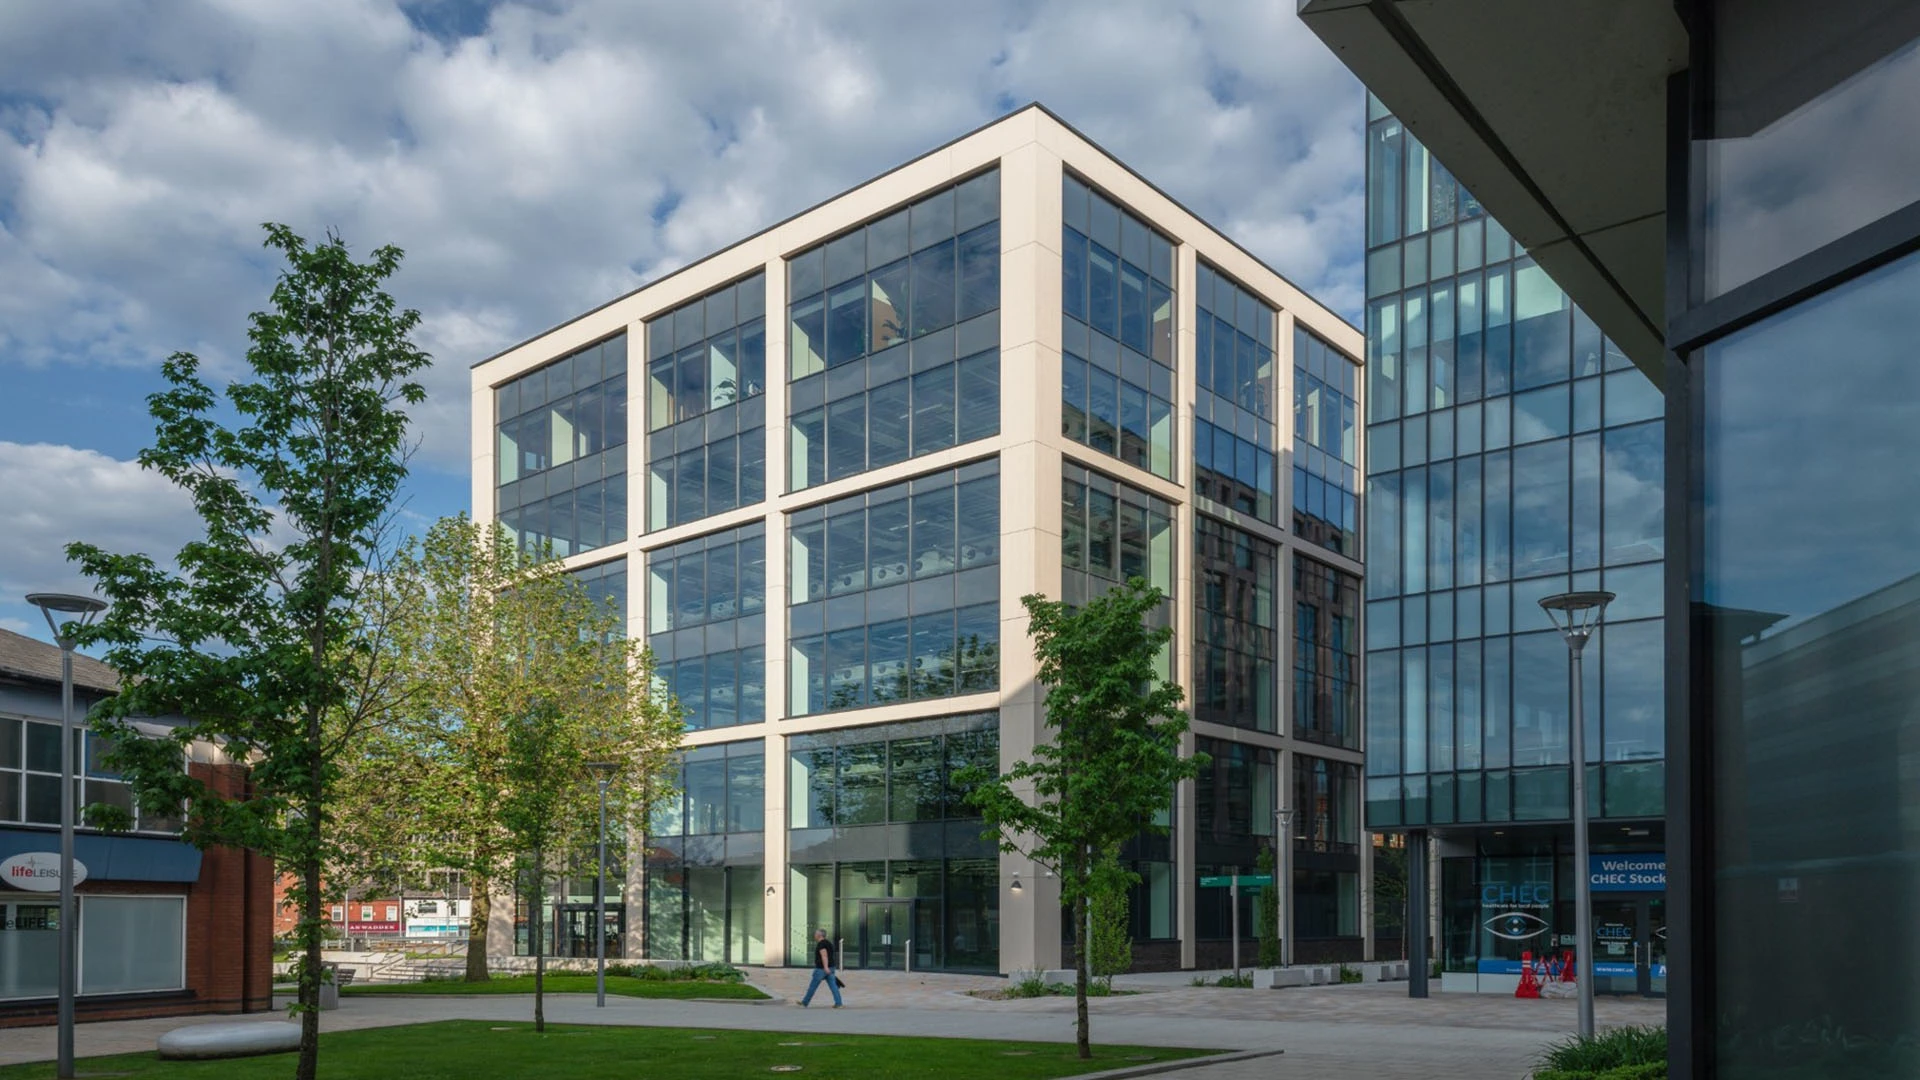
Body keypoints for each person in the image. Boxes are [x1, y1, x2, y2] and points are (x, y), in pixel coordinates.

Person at [798, 927, 843, 1008]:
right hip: (831, 967)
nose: (814, 935)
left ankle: (805, 1002)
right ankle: (838, 1003)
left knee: (812, 986)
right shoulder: (829, 943)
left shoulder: (821, 944)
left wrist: (825, 967)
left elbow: (824, 956)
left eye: (815, 934)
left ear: (819, 935)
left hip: (822, 969)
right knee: (833, 987)